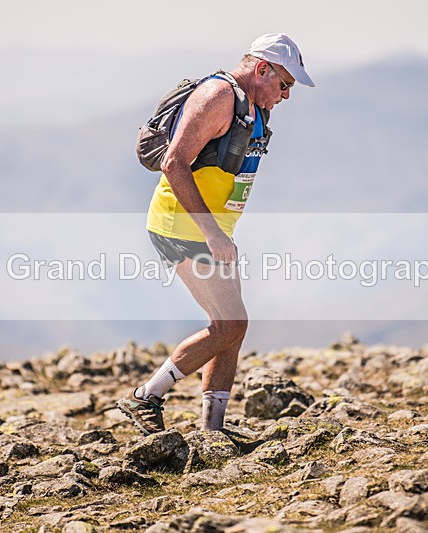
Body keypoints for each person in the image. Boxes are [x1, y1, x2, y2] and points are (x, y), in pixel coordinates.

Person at [117, 33, 315, 435]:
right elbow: (174, 163)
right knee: (231, 324)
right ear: (262, 69)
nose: (287, 96)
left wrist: (220, 231)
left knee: (230, 329)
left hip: (213, 230)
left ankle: (213, 431)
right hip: (184, 225)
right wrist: (212, 233)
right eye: (285, 84)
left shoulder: (254, 106)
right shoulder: (219, 96)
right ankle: (146, 396)